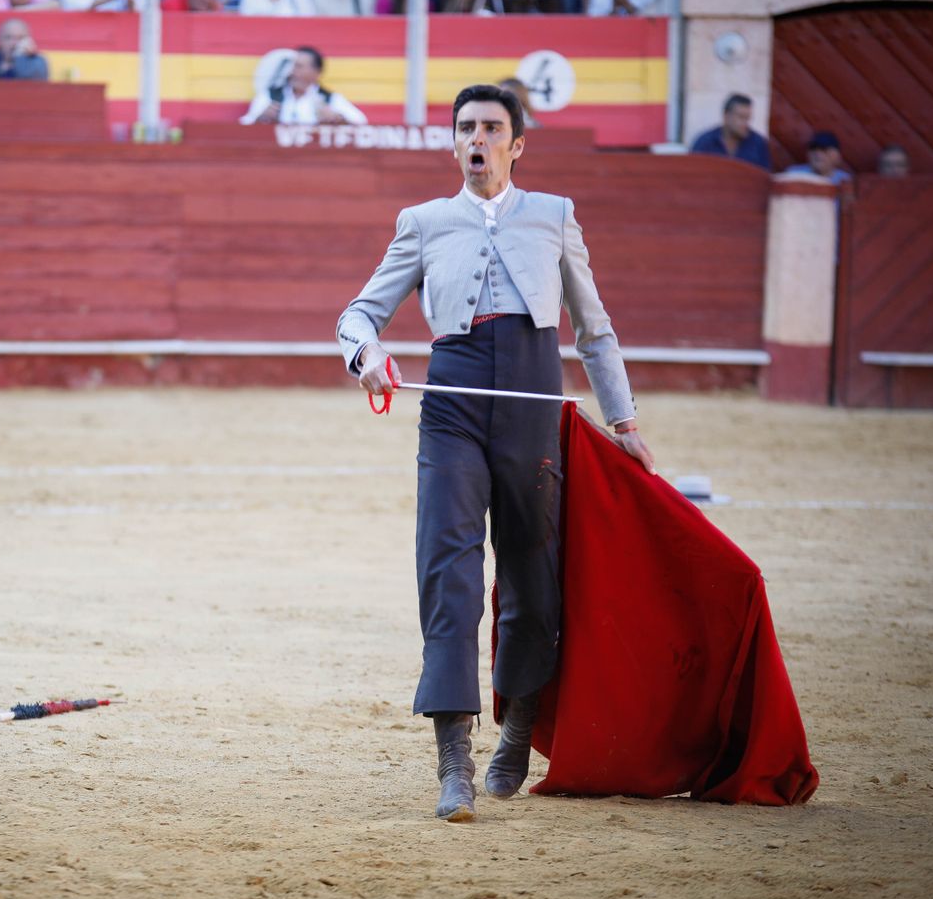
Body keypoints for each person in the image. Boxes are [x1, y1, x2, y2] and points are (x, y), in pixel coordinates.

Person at [336, 83, 653, 823]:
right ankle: (454, 756)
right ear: (453, 144)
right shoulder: (422, 222)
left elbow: (594, 329)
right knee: (446, 570)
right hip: (452, 400)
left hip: (533, 402)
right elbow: (357, 314)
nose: (477, 138)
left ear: (517, 144)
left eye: (492, 128)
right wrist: (369, 355)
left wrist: (624, 418)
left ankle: (516, 729)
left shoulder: (554, 216)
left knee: (532, 576)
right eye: (466, 128)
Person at [240, 45, 366, 125]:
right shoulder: (272, 95)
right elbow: (244, 124)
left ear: (316, 72)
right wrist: (261, 118)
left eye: (299, 67)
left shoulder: (329, 99)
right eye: (293, 66)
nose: (293, 71)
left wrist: (338, 119)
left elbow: (361, 122)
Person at [689, 93, 771, 170]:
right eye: (741, 117)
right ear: (726, 116)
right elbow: (693, 175)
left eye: (748, 118)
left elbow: (764, 178)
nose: (745, 123)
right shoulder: (705, 143)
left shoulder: (758, 144)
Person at [787, 131, 852, 184]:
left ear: (836, 155)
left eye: (824, 149)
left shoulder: (844, 181)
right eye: (813, 149)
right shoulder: (793, 175)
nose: (817, 154)